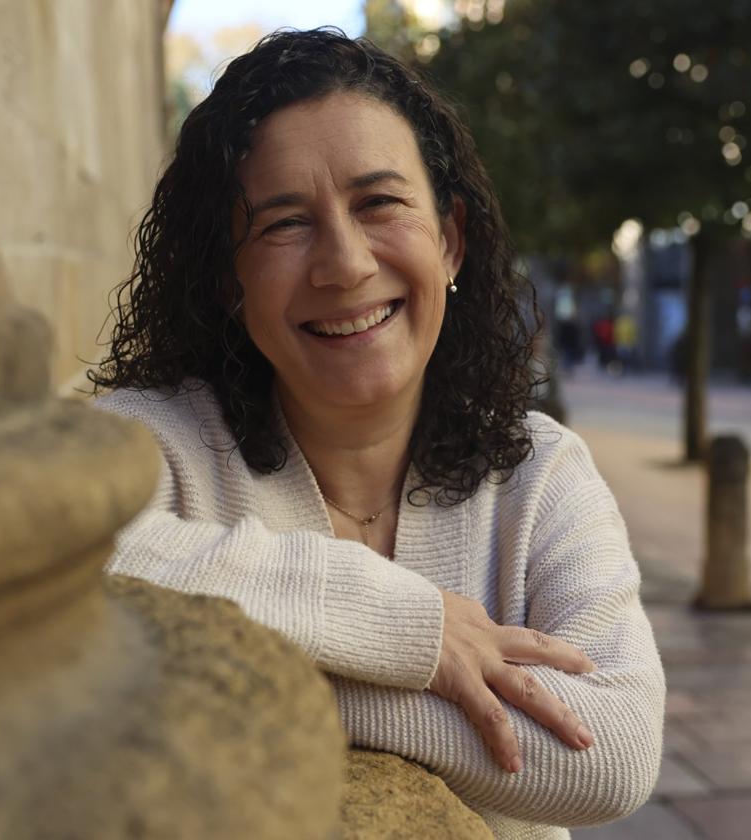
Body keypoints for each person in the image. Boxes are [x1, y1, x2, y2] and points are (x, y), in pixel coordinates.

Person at [89, 29, 663, 838]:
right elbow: (53, 561)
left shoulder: (542, 471)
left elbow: (615, 751)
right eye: (285, 223)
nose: (345, 264)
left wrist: (267, 678)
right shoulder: (158, 438)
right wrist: (406, 630)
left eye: (379, 204)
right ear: (228, 276)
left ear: (450, 238)